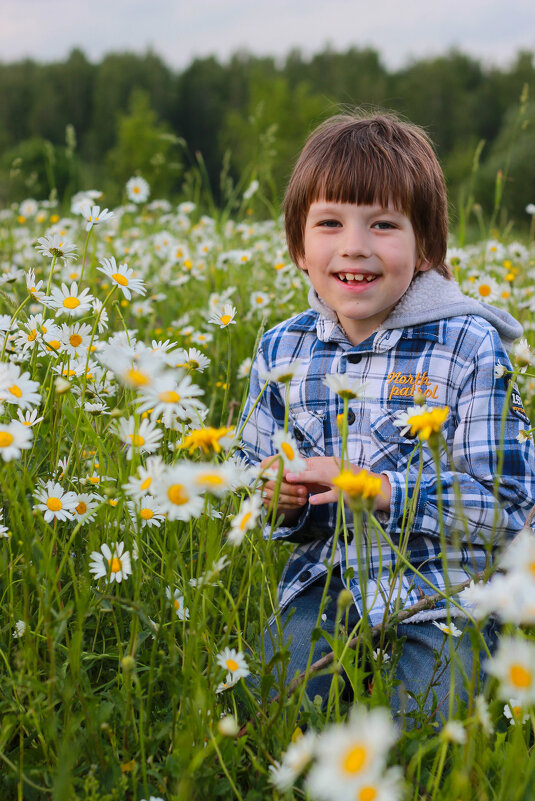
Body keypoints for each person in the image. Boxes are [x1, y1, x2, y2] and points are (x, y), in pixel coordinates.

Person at [239, 112, 535, 722]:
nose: (354, 245)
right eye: (329, 223)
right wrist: (276, 498)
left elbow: (508, 505)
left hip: (451, 591)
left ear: (425, 247)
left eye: (382, 224)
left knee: (427, 725)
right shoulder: (281, 350)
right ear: (299, 246)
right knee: (271, 712)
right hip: (329, 580)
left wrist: (379, 492)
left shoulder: (468, 345)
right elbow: (250, 469)